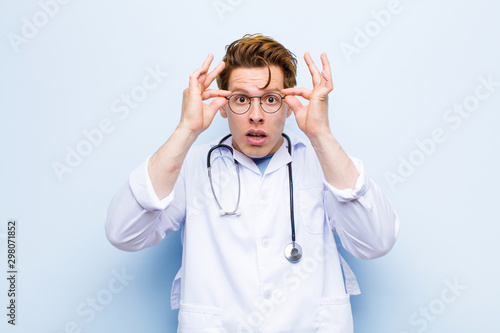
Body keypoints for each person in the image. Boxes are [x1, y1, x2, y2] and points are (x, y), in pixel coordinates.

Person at [105, 34, 399, 332]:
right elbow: (123, 233)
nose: (255, 116)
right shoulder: (190, 166)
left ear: (288, 105)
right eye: (241, 99)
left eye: (271, 99)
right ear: (222, 105)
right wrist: (186, 129)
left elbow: (376, 241)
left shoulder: (324, 162)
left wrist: (321, 135)